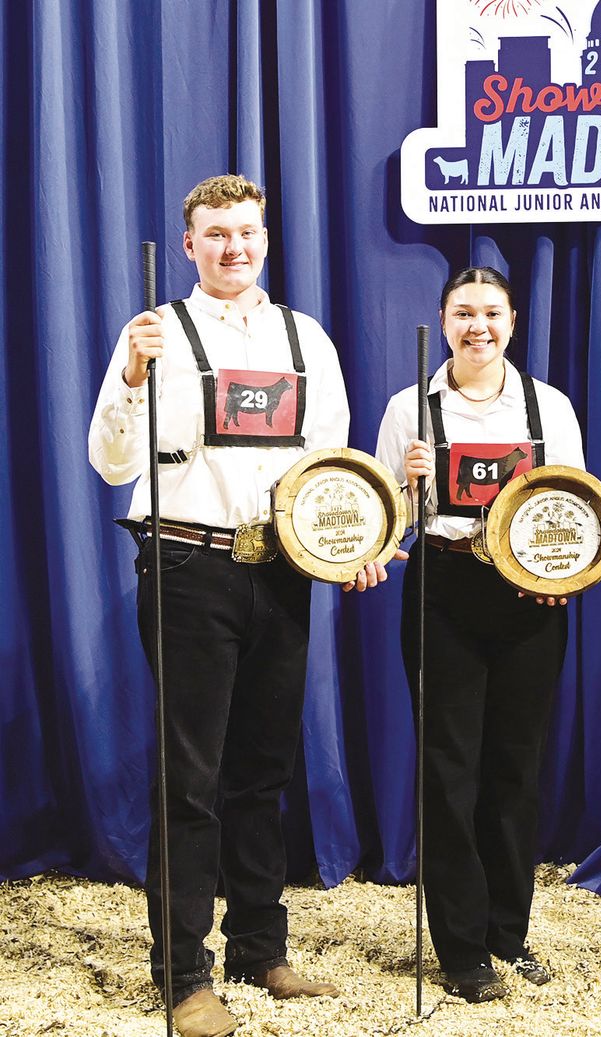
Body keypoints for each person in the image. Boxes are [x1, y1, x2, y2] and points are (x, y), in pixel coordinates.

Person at [89, 174, 394, 1037]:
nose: (234, 247)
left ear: (266, 239)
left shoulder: (306, 337)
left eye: (248, 233)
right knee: (187, 778)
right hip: (188, 568)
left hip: (283, 570)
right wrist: (133, 373)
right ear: (189, 246)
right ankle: (183, 973)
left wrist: (354, 546)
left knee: (262, 768)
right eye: (216, 234)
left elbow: (335, 466)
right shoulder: (155, 333)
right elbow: (111, 460)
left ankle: (262, 945)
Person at [375, 266, 585, 1003]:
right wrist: (407, 481)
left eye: (490, 313)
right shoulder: (411, 407)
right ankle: (462, 946)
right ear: (443, 318)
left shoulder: (547, 407)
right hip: (444, 582)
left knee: (515, 768)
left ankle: (508, 931)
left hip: (530, 593)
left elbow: (576, 510)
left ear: (513, 319)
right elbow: (388, 516)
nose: (477, 327)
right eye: (463, 314)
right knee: (448, 767)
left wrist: (554, 573)